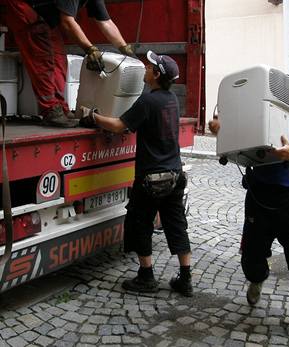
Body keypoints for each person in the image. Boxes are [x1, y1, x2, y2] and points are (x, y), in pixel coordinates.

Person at [209, 69, 289, 340]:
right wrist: (221, 129)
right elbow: (237, 136)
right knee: (252, 256)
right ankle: (257, 277)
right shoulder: (265, 107)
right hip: (258, 195)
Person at [79, 51, 193, 297]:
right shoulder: (172, 99)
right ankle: (185, 278)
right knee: (177, 225)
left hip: (151, 178)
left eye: (150, 67)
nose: (146, 68)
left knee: (140, 222)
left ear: (157, 74)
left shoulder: (147, 102)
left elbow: (119, 125)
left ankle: (146, 276)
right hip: (174, 174)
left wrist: (92, 115)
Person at [5, 0, 135, 128]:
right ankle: (51, 110)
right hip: (21, 5)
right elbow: (67, 22)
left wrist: (125, 49)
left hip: (41, 12)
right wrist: (90, 49)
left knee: (59, 59)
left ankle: (60, 107)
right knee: (43, 57)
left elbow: (105, 22)